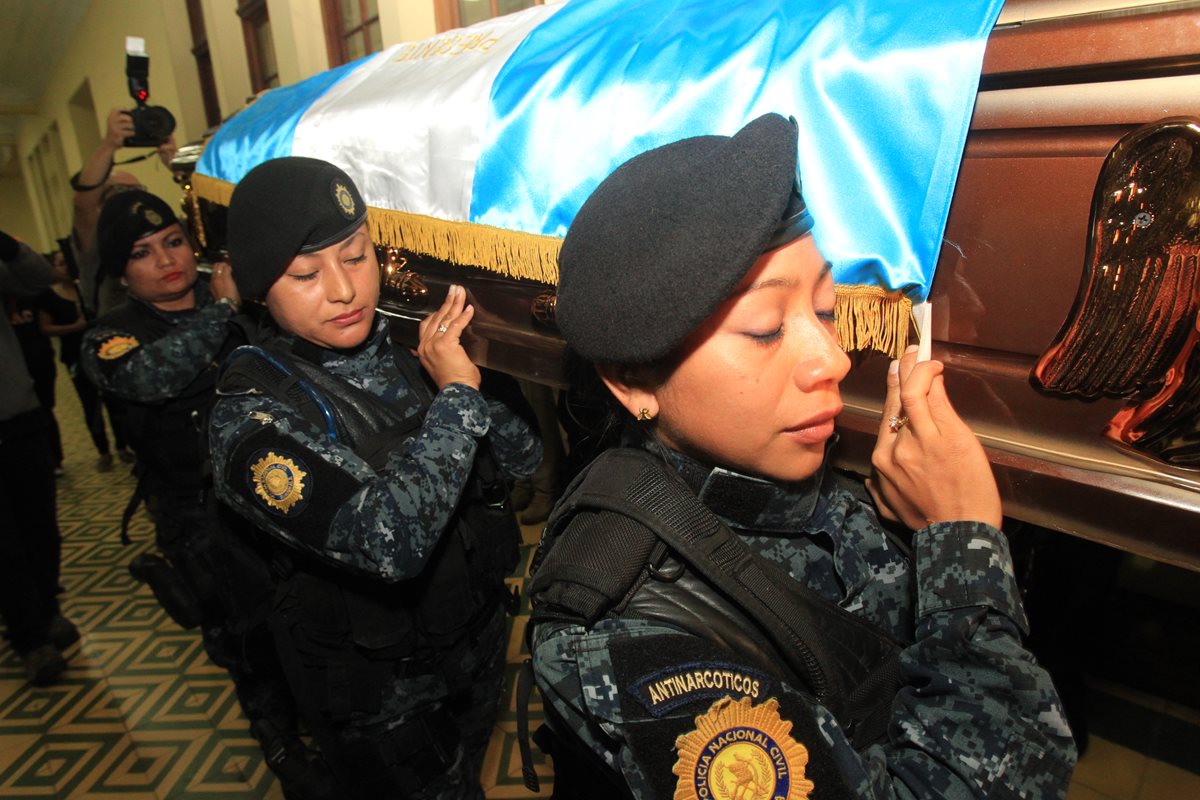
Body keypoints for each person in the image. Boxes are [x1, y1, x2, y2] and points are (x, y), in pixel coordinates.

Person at [525, 114, 1076, 800]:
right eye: (762, 331)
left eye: (824, 307)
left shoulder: (792, 467)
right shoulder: (630, 634)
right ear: (634, 383)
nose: (833, 359)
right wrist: (961, 548)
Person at [210, 156, 542, 799]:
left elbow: (525, 459)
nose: (343, 289)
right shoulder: (250, 418)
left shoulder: (411, 343)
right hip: (381, 702)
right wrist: (456, 398)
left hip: (473, 647)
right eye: (306, 273)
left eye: (355, 256)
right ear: (258, 289)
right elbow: (386, 540)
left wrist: (476, 375)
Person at [78, 191, 327, 798]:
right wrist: (219, 312)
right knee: (245, 639)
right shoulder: (112, 338)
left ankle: (327, 728)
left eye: (173, 241)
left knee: (308, 624)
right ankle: (280, 743)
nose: (166, 259)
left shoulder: (246, 312)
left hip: (277, 501)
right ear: (121, 272)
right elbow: (150, 378)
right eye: (142, 253)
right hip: (200, 518)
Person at [0, 230, 78, 685]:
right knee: (4, 545)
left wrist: (6, 244)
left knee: (40, 529)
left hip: (19, 418)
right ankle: (30, 639)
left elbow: (39, 279)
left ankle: (46, 609)